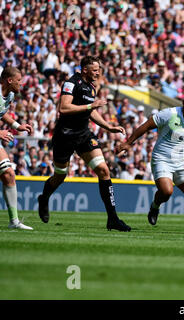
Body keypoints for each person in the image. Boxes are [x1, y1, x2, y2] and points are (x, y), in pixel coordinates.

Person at [37, 56, 131, 232]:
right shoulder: (71, 83)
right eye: (95, 69)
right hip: (65, 136)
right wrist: (90, 106)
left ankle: (113, 219)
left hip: (84, 135)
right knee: (60, 176)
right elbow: (64, 108)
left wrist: (109, 127)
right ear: (85, 69)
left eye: (98, 69)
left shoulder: (91, 87)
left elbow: (91, 111)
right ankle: (44, 198)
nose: (98, 72)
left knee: (103, 170)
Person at [116, 89, 184, 232]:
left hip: (182, 161)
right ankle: (155, 206)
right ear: (183, 102)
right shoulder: (170, 114)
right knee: (166, 192)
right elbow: (146, 126)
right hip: (162, 159)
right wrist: (128, 143)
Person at [0, 67, 34, 230]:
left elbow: (2, 113)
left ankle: (14, 221)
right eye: (19, 80)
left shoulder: (10, 95)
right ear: (9, 80)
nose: (22, 83)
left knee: (8, 173)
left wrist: (16, 125)